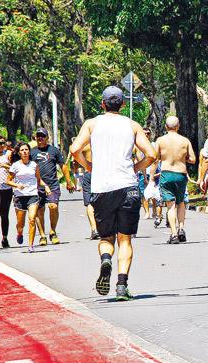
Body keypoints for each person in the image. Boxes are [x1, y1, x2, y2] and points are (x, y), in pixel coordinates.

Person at [71, 85, 155, 301]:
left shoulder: (92, 124)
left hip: (102, 188)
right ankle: (121, 286)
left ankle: (106, 258)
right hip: (128, 187)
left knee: (106, 237)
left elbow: (74, 150)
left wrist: (88, 165)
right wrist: (136, 168)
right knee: (125, 239)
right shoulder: (132, 125)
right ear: (123, 105)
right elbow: (151, 154)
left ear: (102, 104)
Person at [153, 116, 196, 244]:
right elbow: (193, 159)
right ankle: (181, 228)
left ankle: (173, 234)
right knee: (181, 202)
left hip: (166, 173)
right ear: (178, 126)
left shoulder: (160, 140)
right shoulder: (185, 141)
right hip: (180, 174)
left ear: (166, 127)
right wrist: (183, 158)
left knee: (170, 205)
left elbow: (155, 158)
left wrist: (150, 177)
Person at [31, 128, 74, 246]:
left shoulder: (54, 150)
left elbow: (63, 166)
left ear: (47, 138)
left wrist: (69, 181)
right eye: (38, 136)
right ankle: (42, 236)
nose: (40, 138)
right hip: (37, 185)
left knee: (53, 206)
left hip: (53, 185)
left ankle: (52, 231)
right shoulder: (32, 152)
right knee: (39, 211)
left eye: (42, 136)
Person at [6, 142, 51, 253]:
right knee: (20, 224)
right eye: (22, 150)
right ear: (19, 153)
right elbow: (8, 181)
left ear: (29, 152)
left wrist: (46, 186)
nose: (25, 152)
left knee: (32, 219)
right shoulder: (15, 165)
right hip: (20, 196)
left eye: (26, 149)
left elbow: (38, 179)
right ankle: (20, 233)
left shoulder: (34, 165)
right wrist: (17, 185)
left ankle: (30, 245)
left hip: (32, 195)